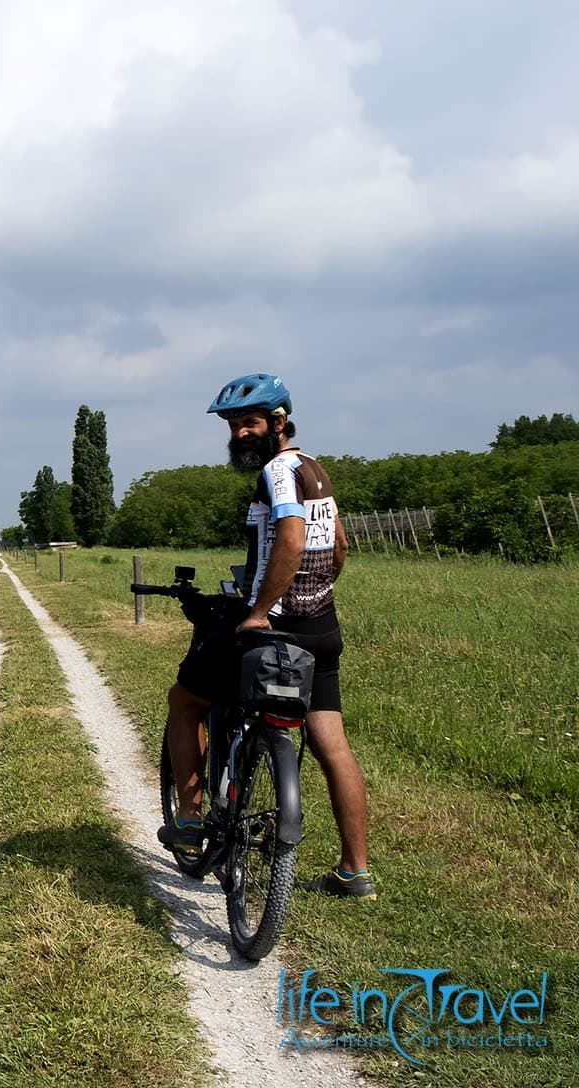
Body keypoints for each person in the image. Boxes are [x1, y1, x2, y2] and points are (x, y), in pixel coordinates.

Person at [157, 373, 377, 899]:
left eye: (250, 423)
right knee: (331, 743)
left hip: (272, 629)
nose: (239, 435)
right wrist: (313, 595)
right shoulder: (315, 470)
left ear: (279, 421)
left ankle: (188, 819)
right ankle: (355, 871)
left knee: (186, 701)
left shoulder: (278, 472)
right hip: (321, 628)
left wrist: (260, 610)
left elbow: (293, 539)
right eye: (234, 426)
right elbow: (339, 545)